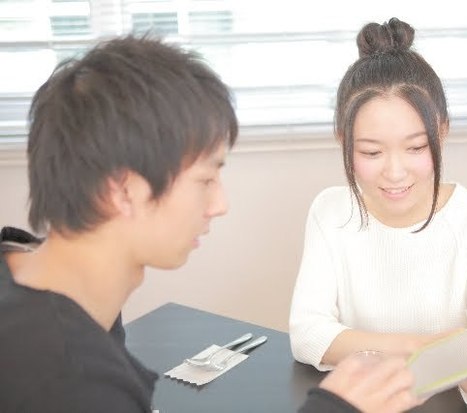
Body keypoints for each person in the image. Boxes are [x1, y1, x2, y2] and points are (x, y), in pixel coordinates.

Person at [0, 36, 420, 412]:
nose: (220, 204)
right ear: (124, 190)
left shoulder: (27, 274)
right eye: (205, 179)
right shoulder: (69, 380)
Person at [289, 17, 467, 409]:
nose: (394, 173)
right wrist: (425, 349)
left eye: (416, 148)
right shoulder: (331, 211)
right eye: (371, 152)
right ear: (342, 140)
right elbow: (307, 335)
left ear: (442, 132)